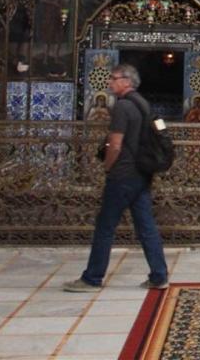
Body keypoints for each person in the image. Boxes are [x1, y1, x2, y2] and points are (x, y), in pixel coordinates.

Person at [64, 64, 168, 292]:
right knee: (146, 226)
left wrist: (108, 167)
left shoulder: (122, 106)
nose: (109, 82)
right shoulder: (143, 103)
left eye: (114, 78)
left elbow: (115, 143)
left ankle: (92, 278)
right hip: (141, 172)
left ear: (126, 81)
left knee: (105, 226)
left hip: (123, 174)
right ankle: (159, 276)